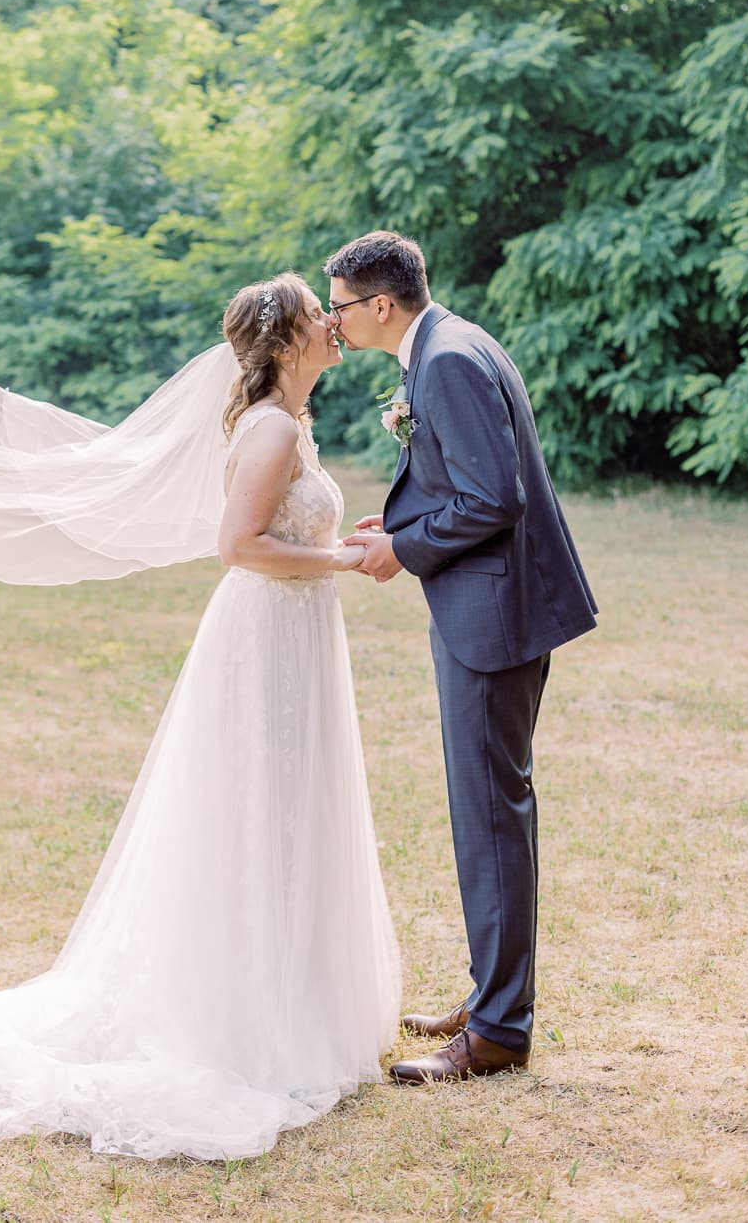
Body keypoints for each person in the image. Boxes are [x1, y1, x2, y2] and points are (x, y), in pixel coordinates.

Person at [0, 274, 401, 1159]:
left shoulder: (288, 422)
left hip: (294, 633)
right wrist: (344, 561)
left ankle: (290, 998)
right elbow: (238, 545)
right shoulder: (275, 424)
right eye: (320, 314)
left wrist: (335, 547)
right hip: (269, 635)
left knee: (287, 812)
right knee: (260, 813)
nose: (334, 325)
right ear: (286, 340)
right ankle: (245, 1016)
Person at [325, 230, 596, 1084]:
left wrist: (403, 551)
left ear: (380, 304)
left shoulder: (443, 359)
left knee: (489, 816)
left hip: (494, 615)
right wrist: (401, 526)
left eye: (339, 306)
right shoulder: (448, 341)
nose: (332, 322)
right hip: (489, 605)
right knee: (488, 812)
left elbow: (496, 496)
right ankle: (493, 998)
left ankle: (499, 1031)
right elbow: (470, 481)